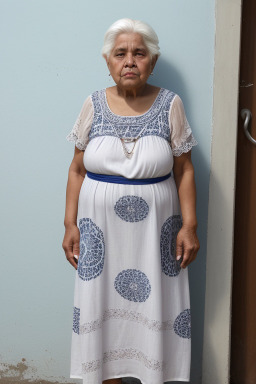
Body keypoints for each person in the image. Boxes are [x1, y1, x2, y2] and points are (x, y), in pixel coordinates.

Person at [62, 18, 200, 384]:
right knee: (101, 307)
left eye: (139, 53)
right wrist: (69, 225)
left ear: (152, 62)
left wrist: (190, 226)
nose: (129, 61)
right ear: (107, 61)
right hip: (99, 235)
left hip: (155, 236)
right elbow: (76, 169)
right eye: (120, 53)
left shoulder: (171, 104)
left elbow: (185, 169)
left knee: (154, 308)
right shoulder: (92, 104)